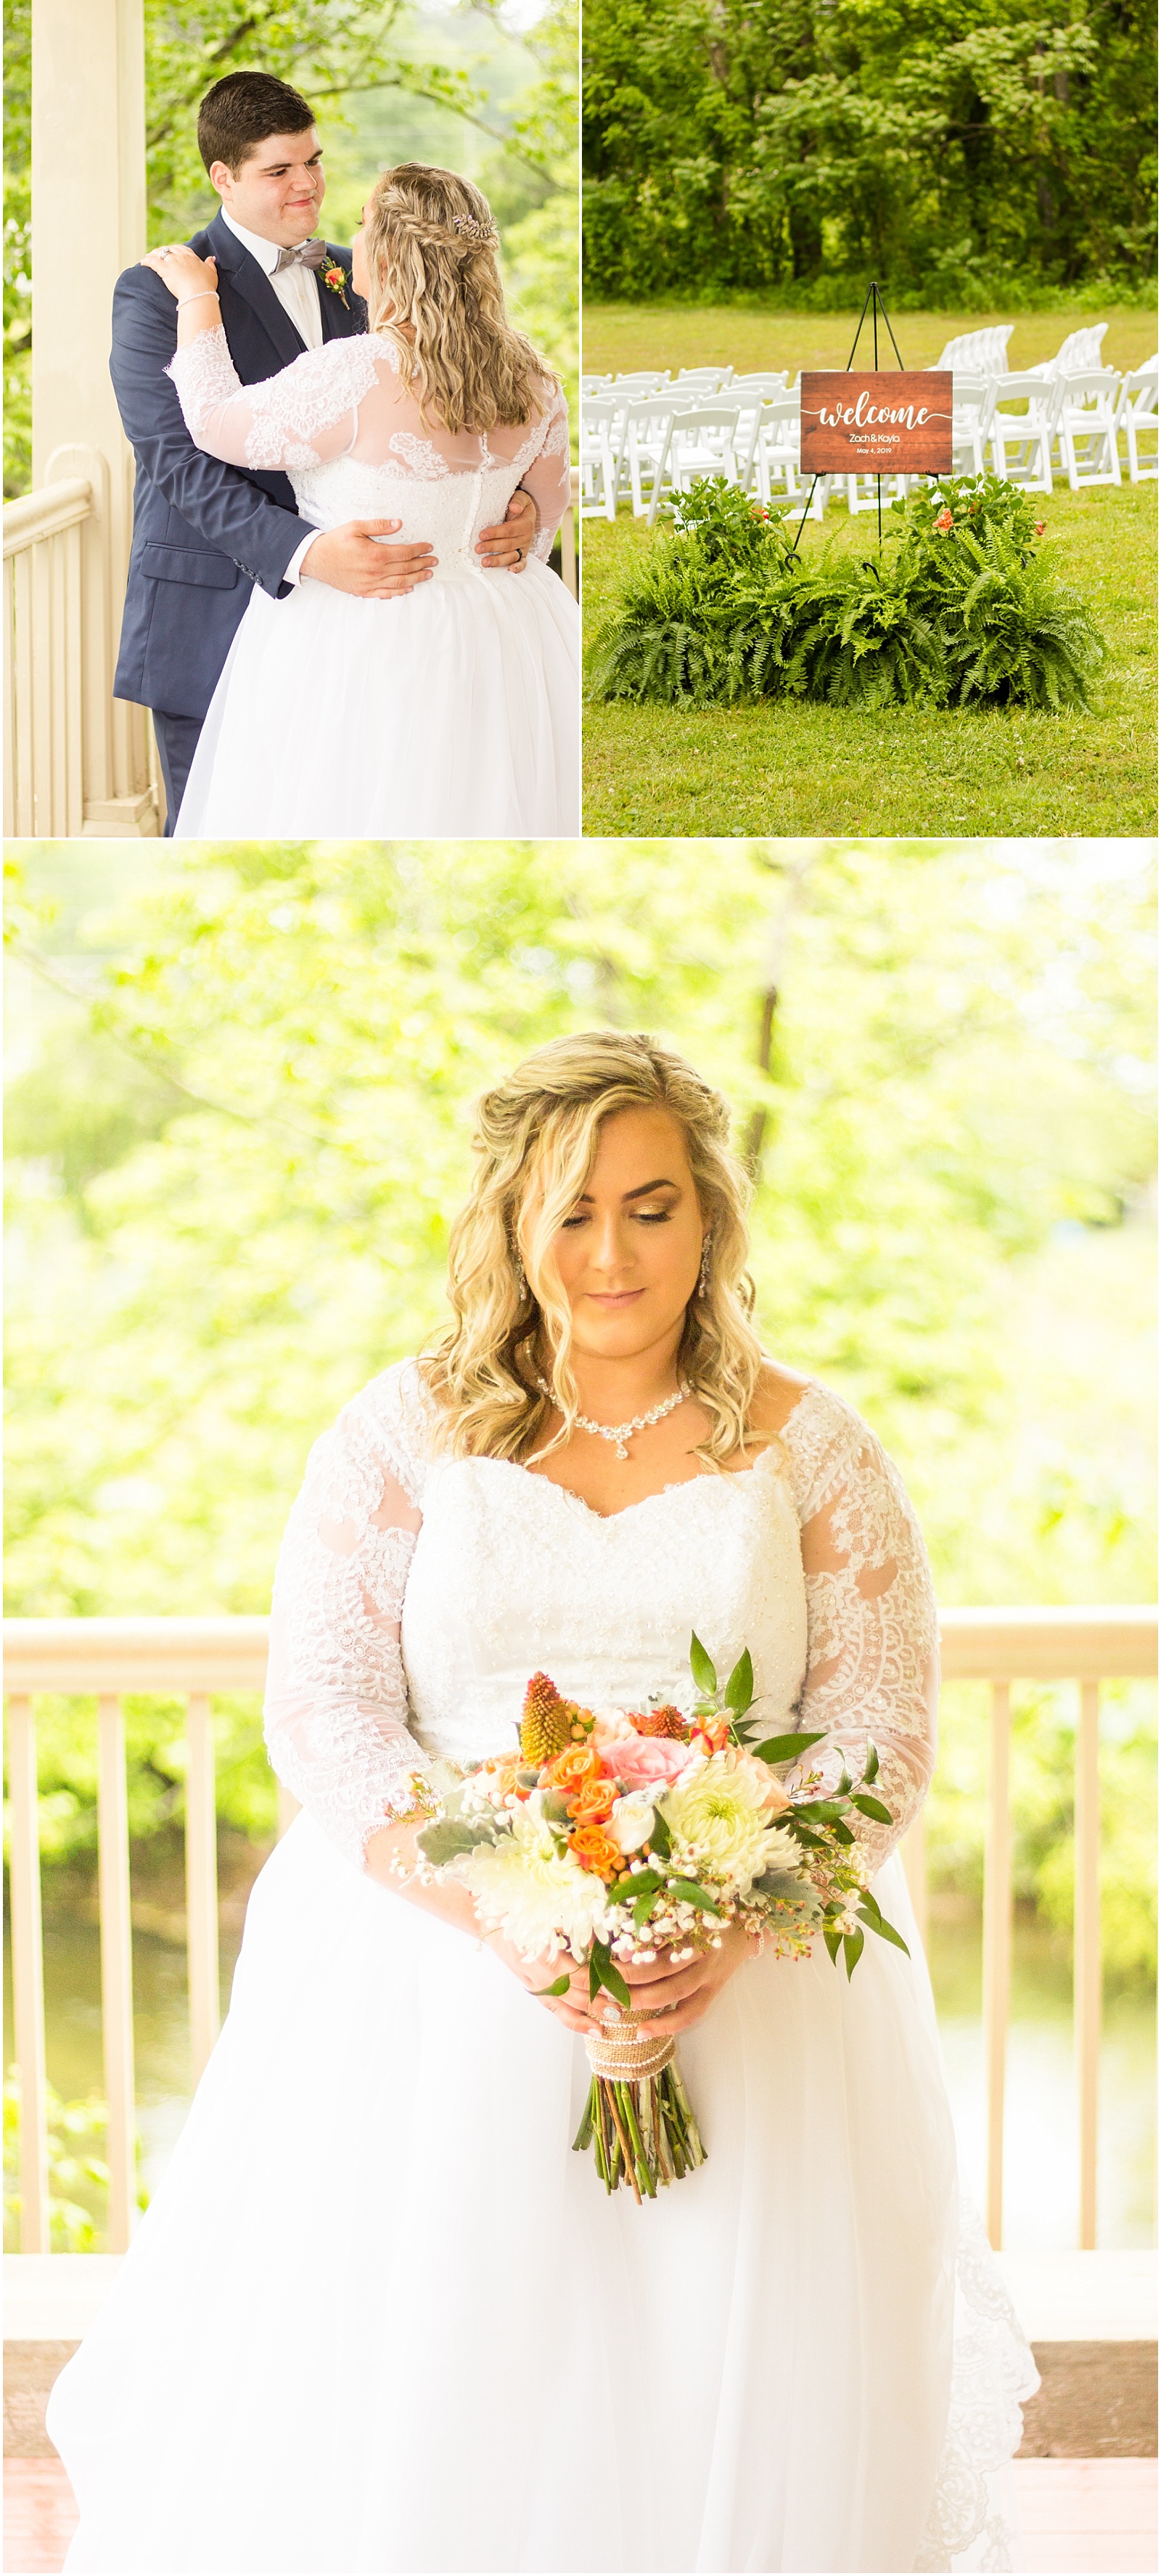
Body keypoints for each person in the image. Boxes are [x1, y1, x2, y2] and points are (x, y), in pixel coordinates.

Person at [46, 1032, 1035, 2574]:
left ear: (708, 1217)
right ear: (510, 1223)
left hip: (747, 1987)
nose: (611, 1249)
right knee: (449, 2370)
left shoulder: (815, 1446)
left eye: (650, 1204)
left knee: (716, 2370)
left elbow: (877, 1729)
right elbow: (322, 1708)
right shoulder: (401, 1429)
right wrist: (511, 1907)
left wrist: (720, 1917)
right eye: (569, 1209)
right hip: (427, 1983)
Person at [110, 73, 539, 834]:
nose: (307, 185)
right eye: (279, 171)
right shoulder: (160, 291)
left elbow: (451, 406)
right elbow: (178, 461)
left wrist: (521, 503)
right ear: (224, 177)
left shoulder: (369, 268)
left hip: (385, 636)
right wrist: (307, 553)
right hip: (213, 608)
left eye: (313, 161)